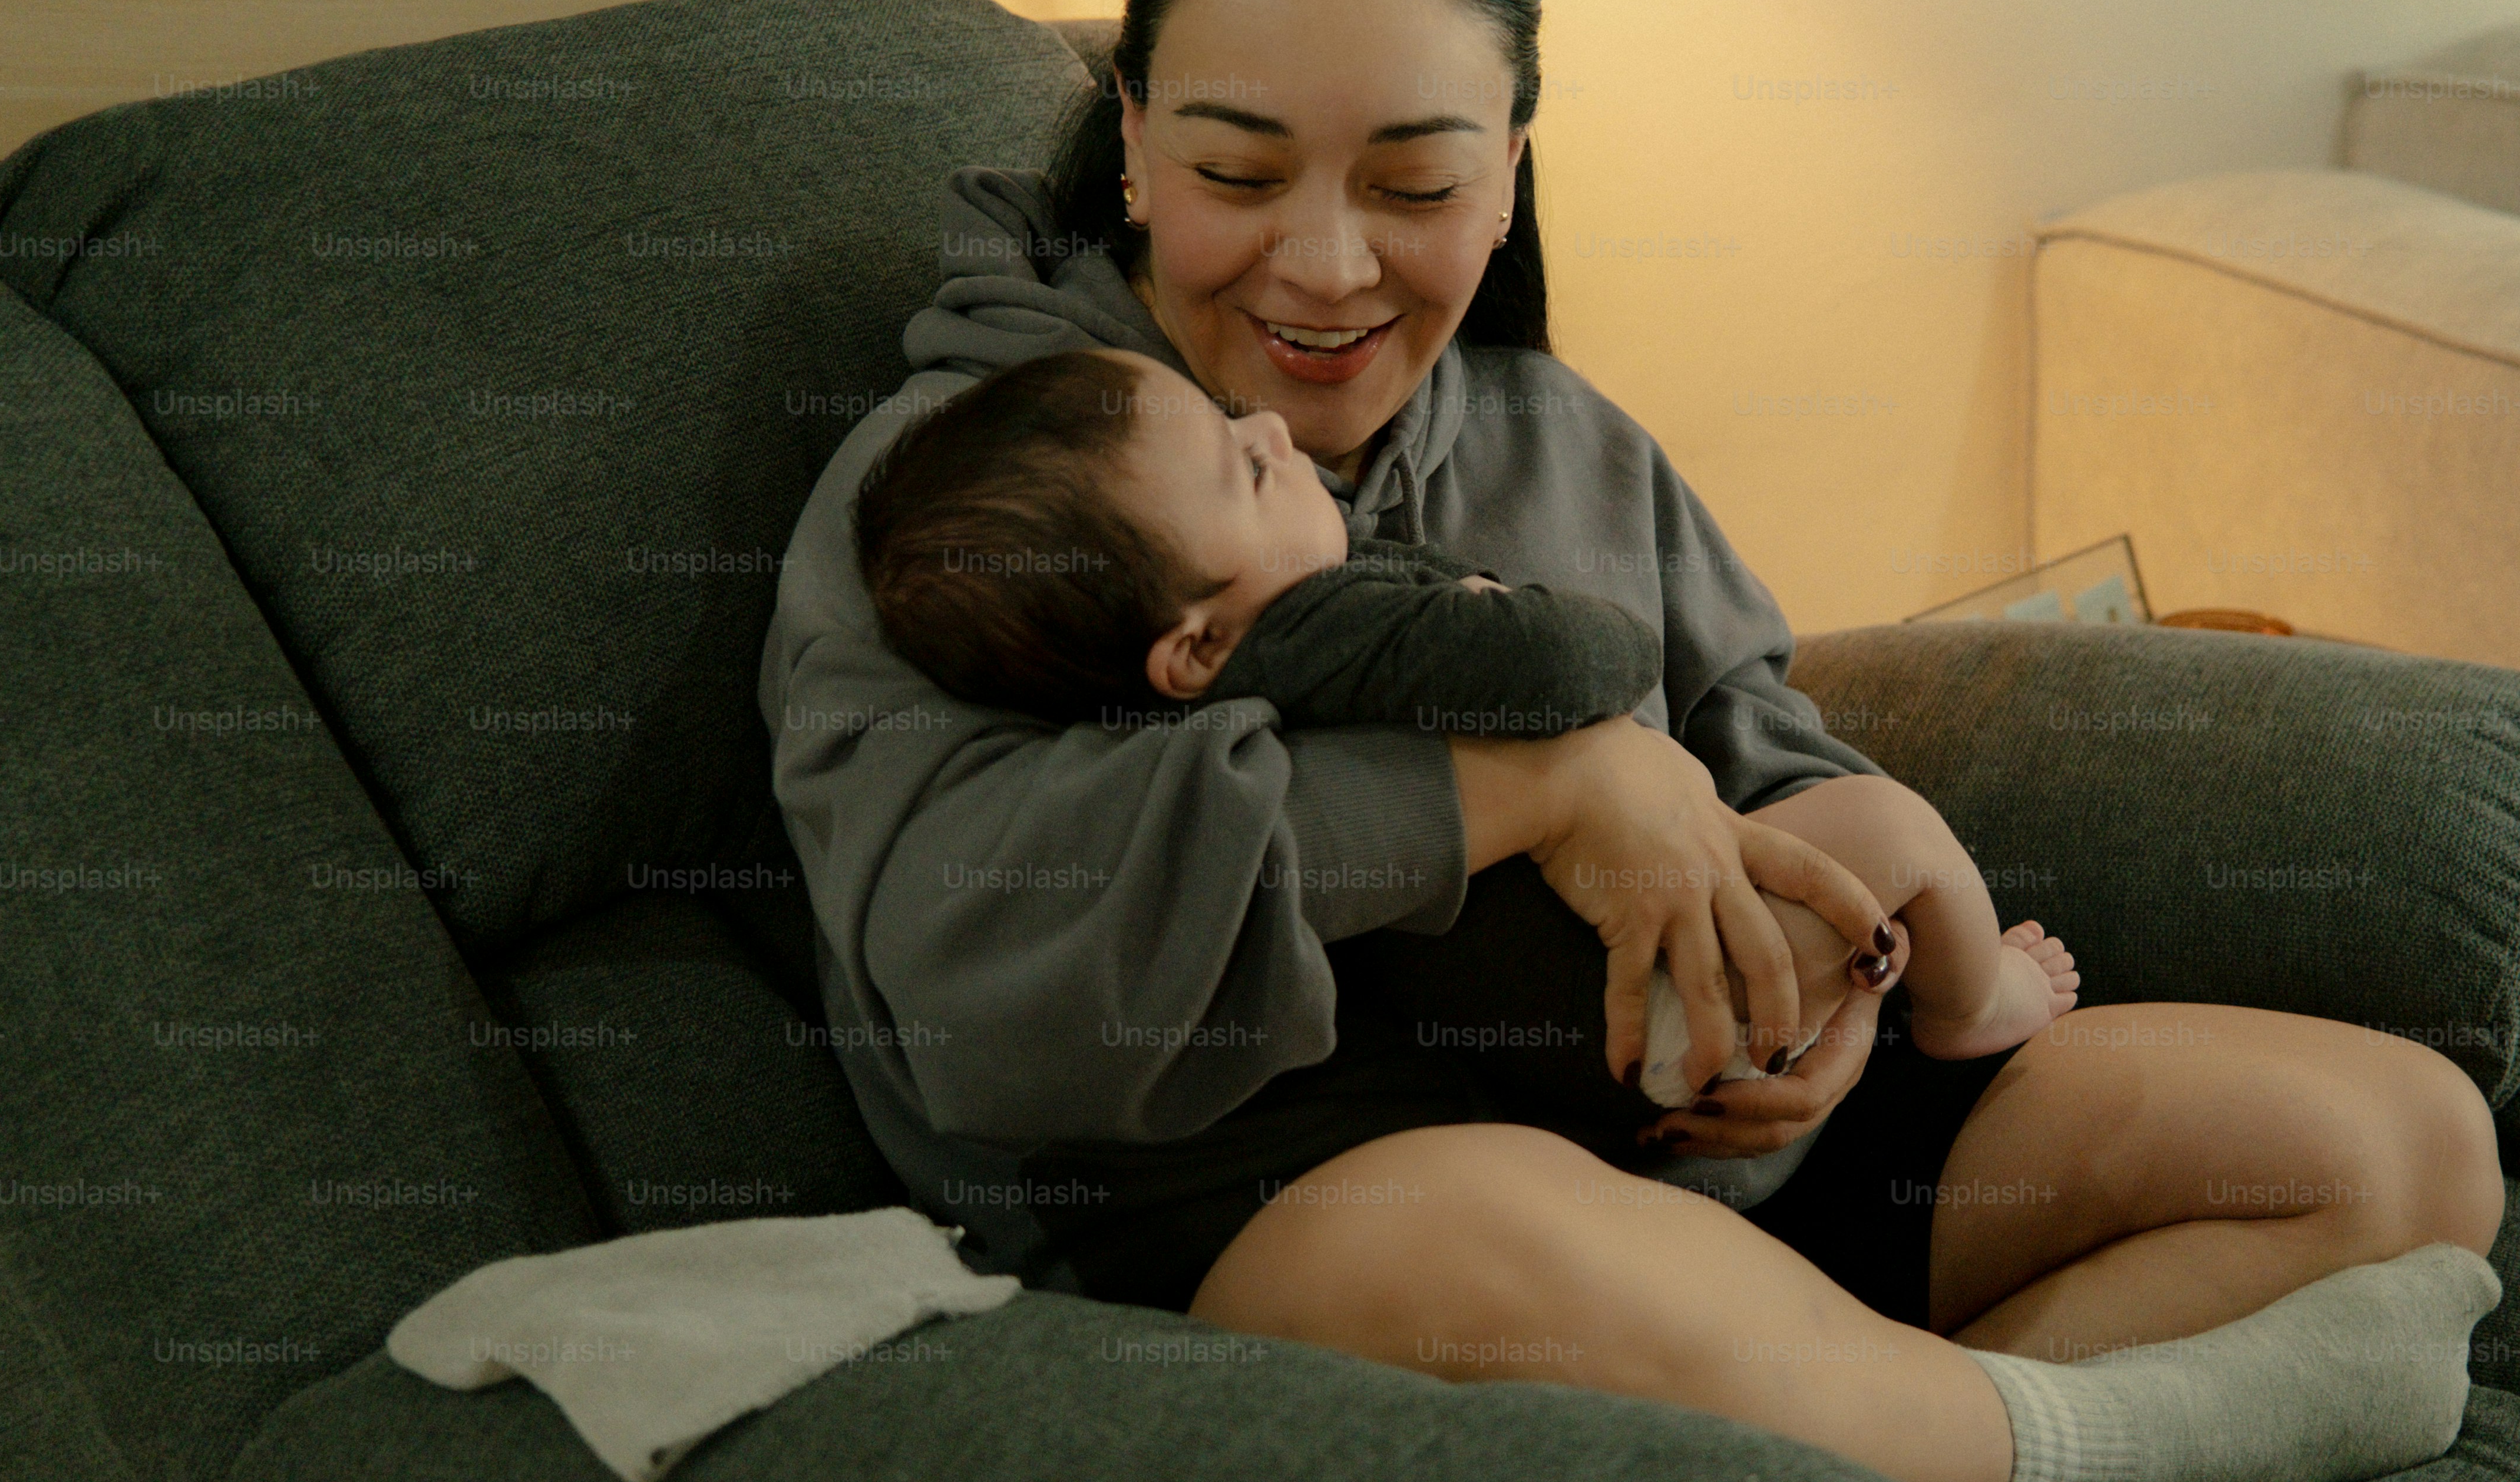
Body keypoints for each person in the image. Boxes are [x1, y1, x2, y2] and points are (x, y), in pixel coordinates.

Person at [761, 0, 2506, 1482]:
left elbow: (1765, 744)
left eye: (1417, 182)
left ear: (1512, 165)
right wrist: (1542, 786)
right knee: (1503, 1239)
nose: (1325, 260)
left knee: (2400, 1148)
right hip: (1312, 1219)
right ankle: (2085, 1446)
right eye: (1233, 172)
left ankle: (1861, 1450)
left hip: (1706, 1156)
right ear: (1130, 139)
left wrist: (1844, 959)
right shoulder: (976, 485)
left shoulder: (1553, 436)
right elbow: (976, 967)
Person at [843, 340, 2079, 1166]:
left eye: (1239, 423)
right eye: (1247, 465)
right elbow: (1582, 665)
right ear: (1192, 646)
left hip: (1573, 1059)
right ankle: (1976, 1001)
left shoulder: (1205, 688)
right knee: (1892, 826)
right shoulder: (1323, 629)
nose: (1273, 424)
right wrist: (1514, 616)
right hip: (1633, 1000)